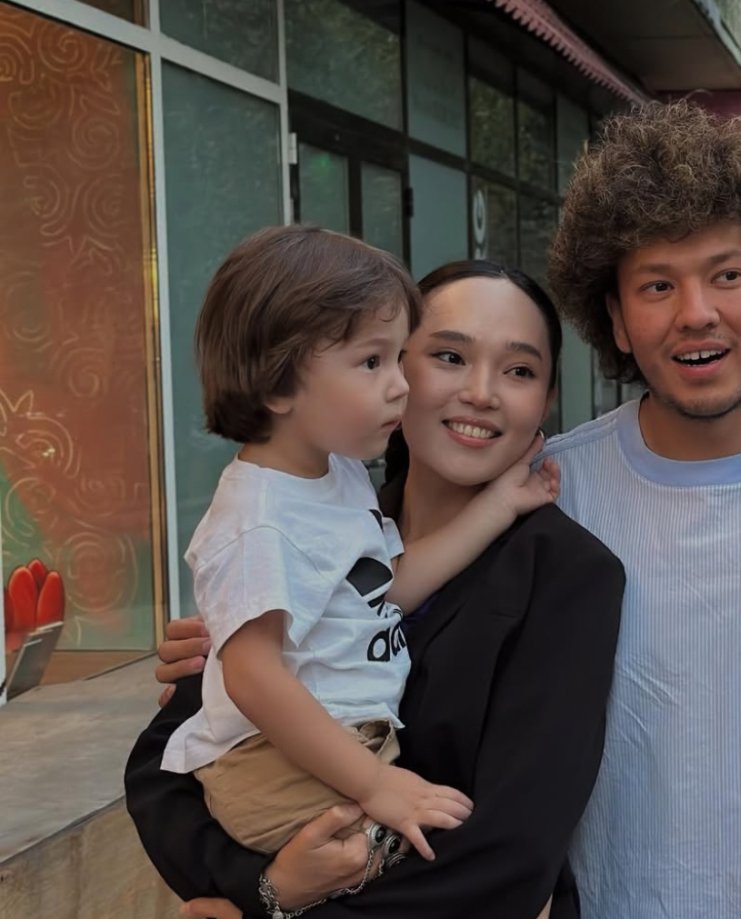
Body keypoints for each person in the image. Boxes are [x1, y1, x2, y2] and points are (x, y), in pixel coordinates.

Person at [148, 101, 741, 918]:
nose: (695, 312)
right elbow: (309, 672)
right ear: (614, 318)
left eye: (726, 275)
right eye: (656, 285)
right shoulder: (550, 491)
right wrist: (248, 644)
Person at [125, 260, 625, 919]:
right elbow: (161, 771)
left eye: (519, 371)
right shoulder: (299, 518)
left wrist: (271, 913)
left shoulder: (565, 575)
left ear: (546, 400)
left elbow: (510, 854)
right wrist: (266, 888)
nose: (482, 393)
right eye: (448, 357)